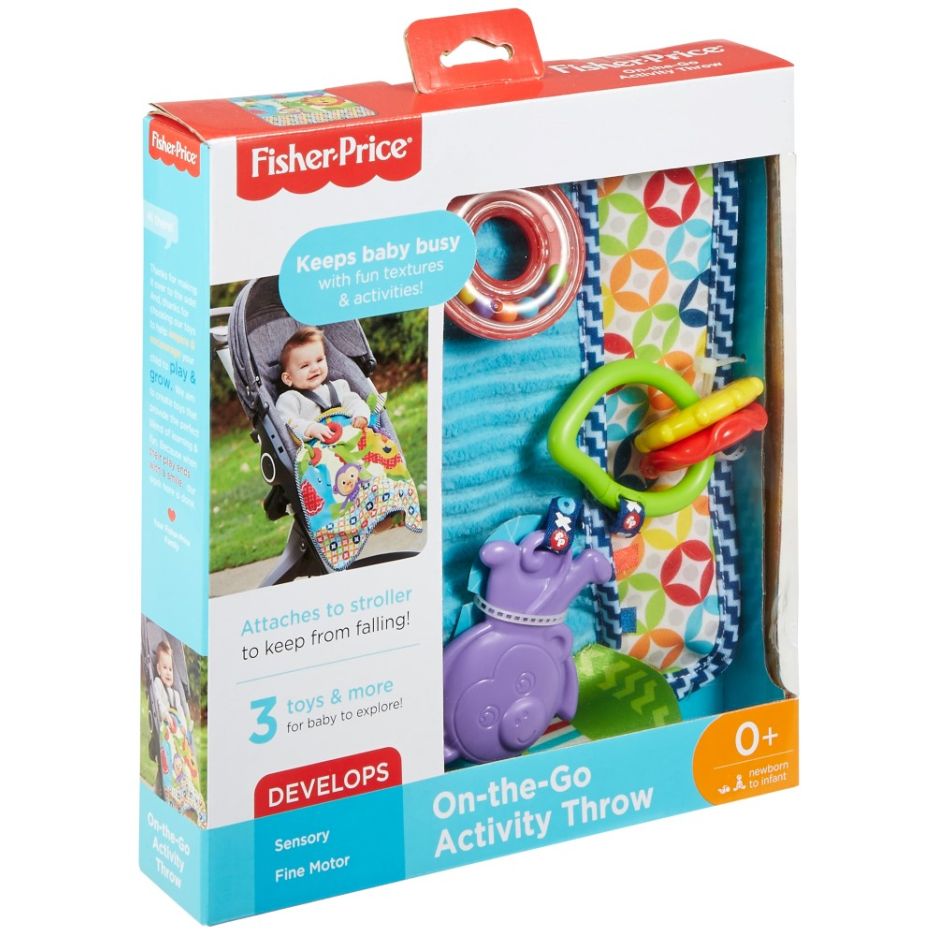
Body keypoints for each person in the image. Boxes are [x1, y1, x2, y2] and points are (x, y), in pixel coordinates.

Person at [275, 327, 371, 440]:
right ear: (288, 378)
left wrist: (361, 415)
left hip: (352, 439)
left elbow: (355, 403)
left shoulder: (339, 387)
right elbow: (287, 422)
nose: (315, 368)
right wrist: (310, 428)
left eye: (319, 360)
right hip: (320, 448)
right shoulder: (290, 399)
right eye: (305, 366)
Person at [152, 641, 191, 735]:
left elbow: (180, 712)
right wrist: (165, 715)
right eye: (165, 667)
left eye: (170, 669)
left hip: (175, 730)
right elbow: (158, 702)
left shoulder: (175, 694)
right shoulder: (157, 683)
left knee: (184, 739)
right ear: (158, 669)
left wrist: (183, 726)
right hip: (164, 727)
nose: (168, 672)